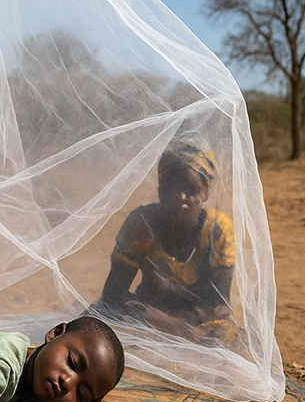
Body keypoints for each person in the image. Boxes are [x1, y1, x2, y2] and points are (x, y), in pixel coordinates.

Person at [97, 142, 237, 344]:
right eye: (173, 188)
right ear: (161, 190)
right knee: (96, 327)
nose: (181, 197)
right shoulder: (141, 225)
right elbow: (113, 294)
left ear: (205, 193)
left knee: (225, 338)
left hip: (198, 324)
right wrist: (169, 325)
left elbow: (220, 304)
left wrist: (186, 327)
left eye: (191, 189)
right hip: (146, 317)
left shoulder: (218, 231)